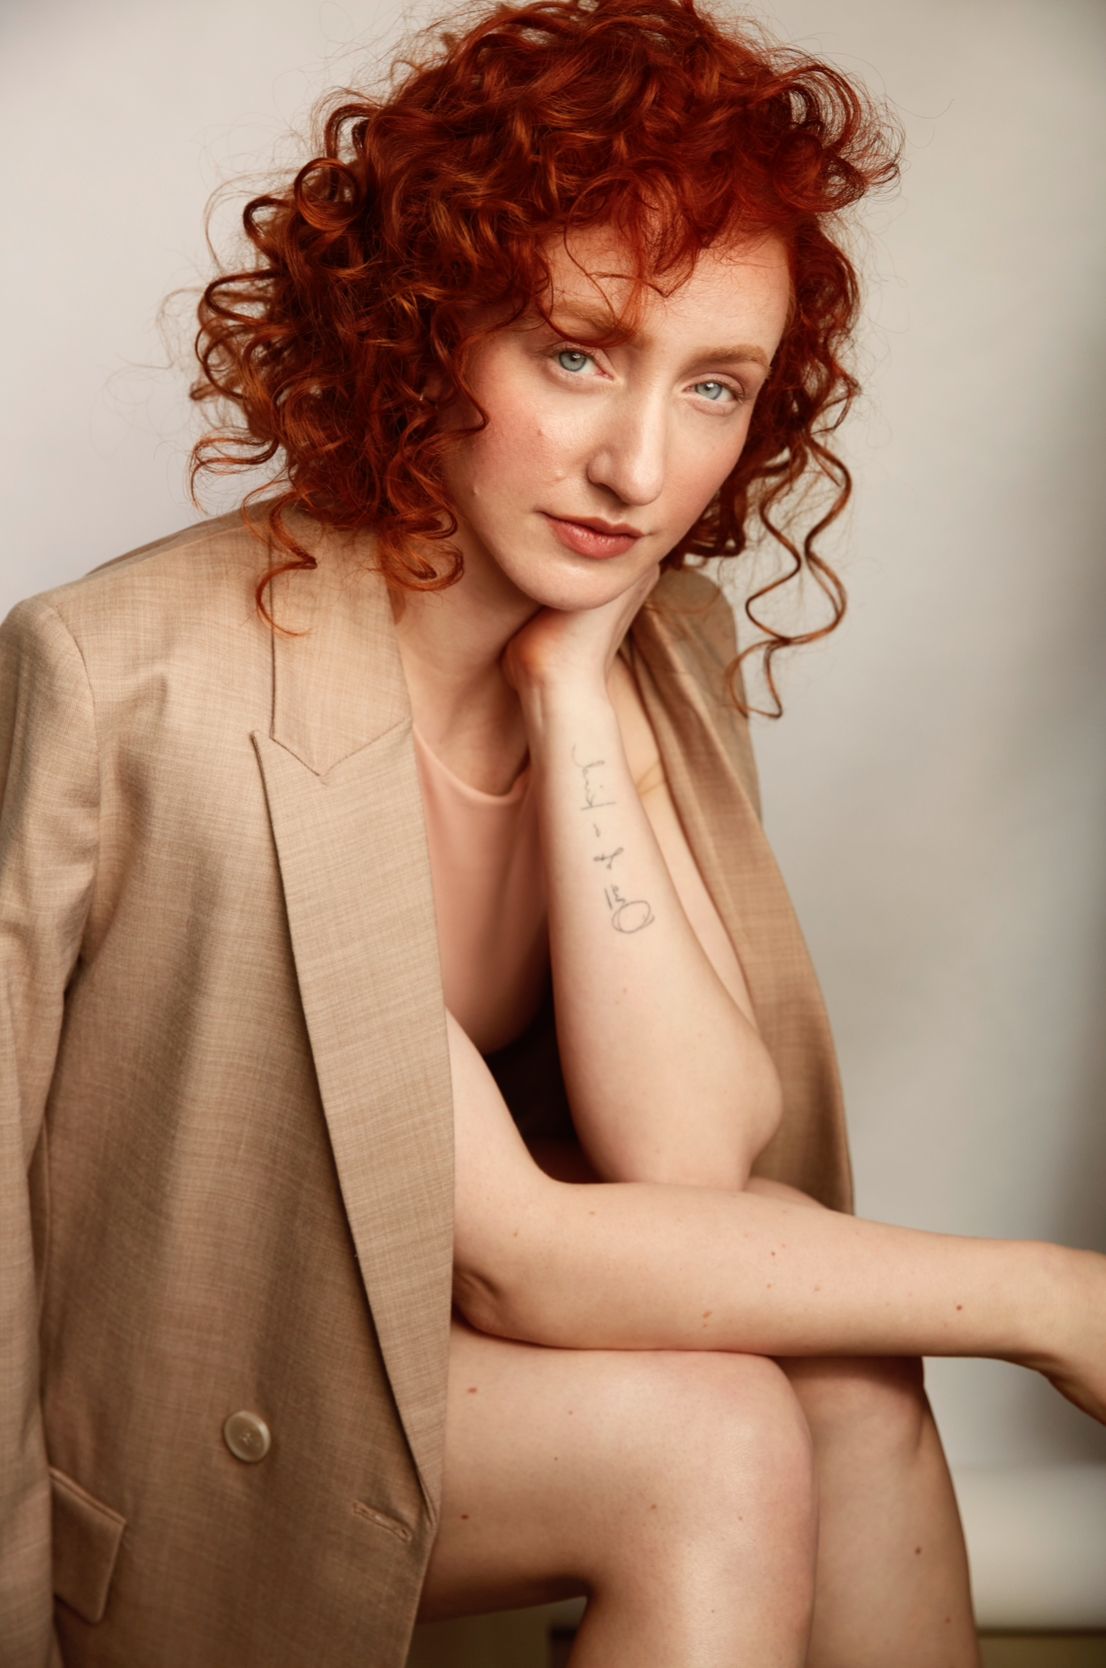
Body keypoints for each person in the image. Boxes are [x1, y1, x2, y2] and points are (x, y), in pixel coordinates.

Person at [1, 0, 1102, 1664]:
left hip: (435, 1343)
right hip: (190, 1405)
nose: (637, 468)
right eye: (576, 352)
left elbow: (690, 1162)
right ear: (424, 326)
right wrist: (1049, 1300)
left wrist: (576, 693)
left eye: (713, 387)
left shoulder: (659, 643)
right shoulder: (134, 677)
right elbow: (521, 1259)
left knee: (852, 1385)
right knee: (708, 1440)